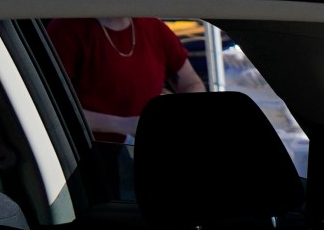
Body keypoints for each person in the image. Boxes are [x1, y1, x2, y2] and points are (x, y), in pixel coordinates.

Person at [45, 17, 207, 141]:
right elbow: (50, 108)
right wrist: (125, 125)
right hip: (84, 158)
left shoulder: (154, 28)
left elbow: (191, 83)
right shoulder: (65, 31)